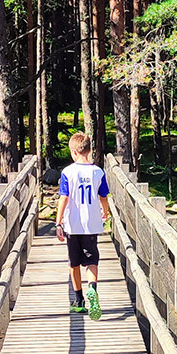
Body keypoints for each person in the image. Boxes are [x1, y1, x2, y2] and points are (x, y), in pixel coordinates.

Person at [55, 132, 109, 320]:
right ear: (89, 150)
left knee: (74, 263)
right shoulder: (98, 172)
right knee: (91, 259)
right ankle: (92, 288)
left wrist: (58, 221)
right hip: (91, 224)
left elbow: (64, 198)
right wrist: (106, 211)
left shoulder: (68, 172)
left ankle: (78, 301)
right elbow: (103, 196)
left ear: (73, 152)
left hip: (72, 224)